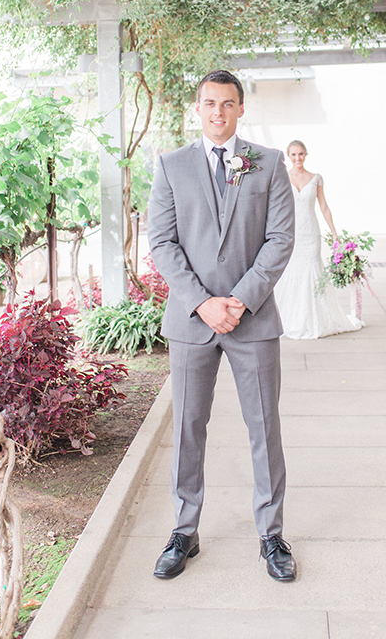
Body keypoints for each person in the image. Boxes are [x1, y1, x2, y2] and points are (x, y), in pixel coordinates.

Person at [147, 69, 297, 583]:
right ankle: (184, 532)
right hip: (192, 323)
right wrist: (202, 303)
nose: (218, 112)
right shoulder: (170, 166)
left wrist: (237, 300)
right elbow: (162, 244)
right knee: (188, 428)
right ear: (198, 107)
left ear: (239, 108)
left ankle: (271, 534)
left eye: (227, 104)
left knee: (264, 429)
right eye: (209, 103)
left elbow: (280, 239)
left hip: (251, 320)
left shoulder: (269, 163)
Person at [274, 140, 361, 340]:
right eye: (294, 154)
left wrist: (334, 234)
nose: (298, 158)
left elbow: (323, 207)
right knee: (292, 271)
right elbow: (278, 208)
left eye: (301, 154)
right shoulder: (283, 178)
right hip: (292, 232)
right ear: (289, 156)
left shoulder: (315, 179)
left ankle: (315, 318)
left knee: (312, 269)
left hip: (311, 233)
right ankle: (291, 317)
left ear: (306, 155)